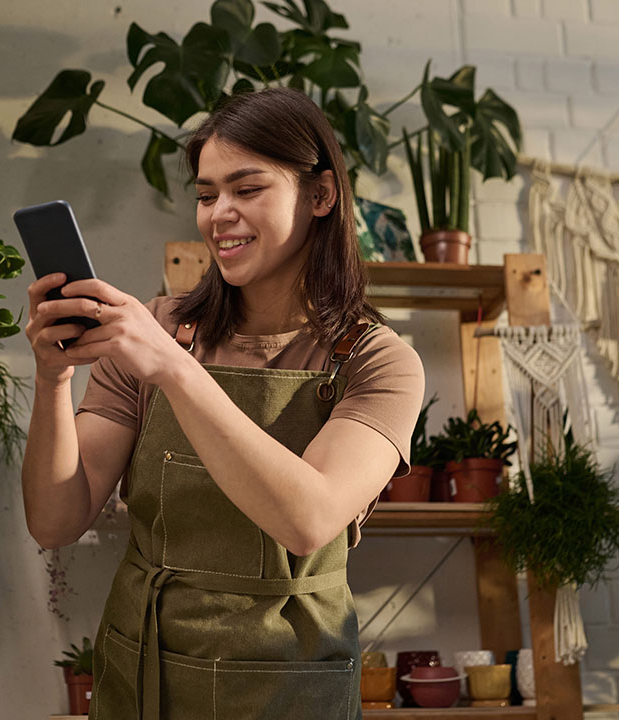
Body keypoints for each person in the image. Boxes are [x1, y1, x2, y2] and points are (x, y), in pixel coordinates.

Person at [22, 87, 425, 719]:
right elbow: (54, 521)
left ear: (320, 196)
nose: (219, 215)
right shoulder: (160, 328)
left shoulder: (378, 362)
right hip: (143, 669)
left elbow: (308, 519)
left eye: (248, 189)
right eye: (207, 195)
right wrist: (51, 382)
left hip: (287, 681)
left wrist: (175, 370)